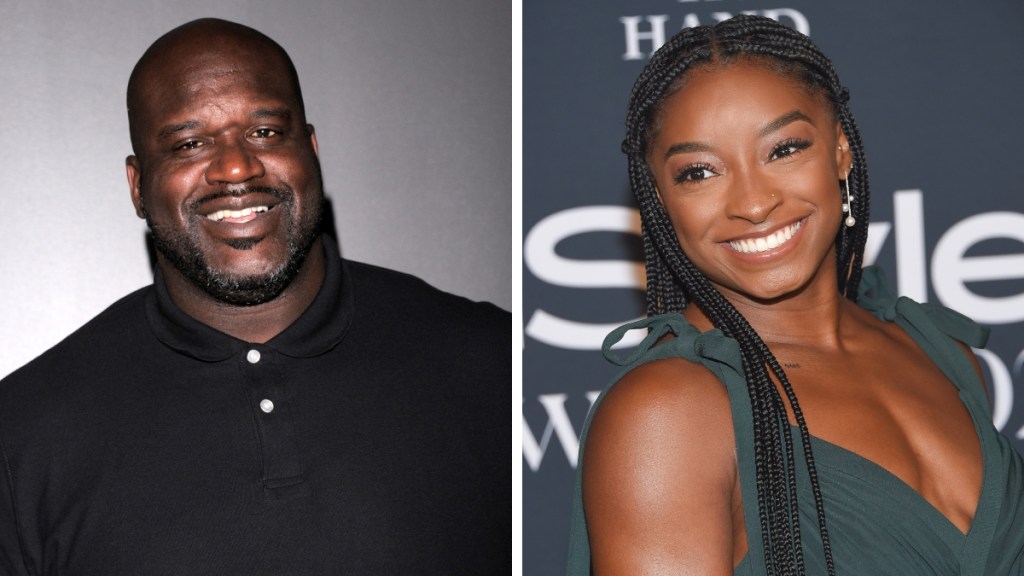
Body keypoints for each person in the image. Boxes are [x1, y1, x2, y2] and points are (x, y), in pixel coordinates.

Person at [0, 18, 509, 574]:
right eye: (189, 143)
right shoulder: (25, 432)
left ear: (311, 149)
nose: (237, 166)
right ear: (137, 186)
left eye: (265, 132)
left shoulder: (489, 364)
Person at [566, 14, 1024, 576]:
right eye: (699, 173)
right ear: (660, 201)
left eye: (783, 150)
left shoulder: (947, 355)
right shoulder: (669, 412)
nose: (754, 204)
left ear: (839, 152)